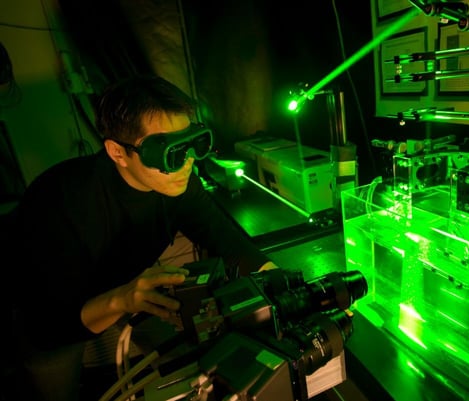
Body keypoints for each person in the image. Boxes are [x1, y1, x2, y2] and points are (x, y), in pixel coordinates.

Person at [6, 74, 277, 401]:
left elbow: (222, 236)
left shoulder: (178, 182)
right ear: (118, 153)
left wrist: (281, 282)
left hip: (127, 286)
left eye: (191, 144)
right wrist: (120, 300)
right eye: (169, 153)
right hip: (51, 313)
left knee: (188, 362)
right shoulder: (60, 204)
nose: (187, 163)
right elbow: (49, 325)